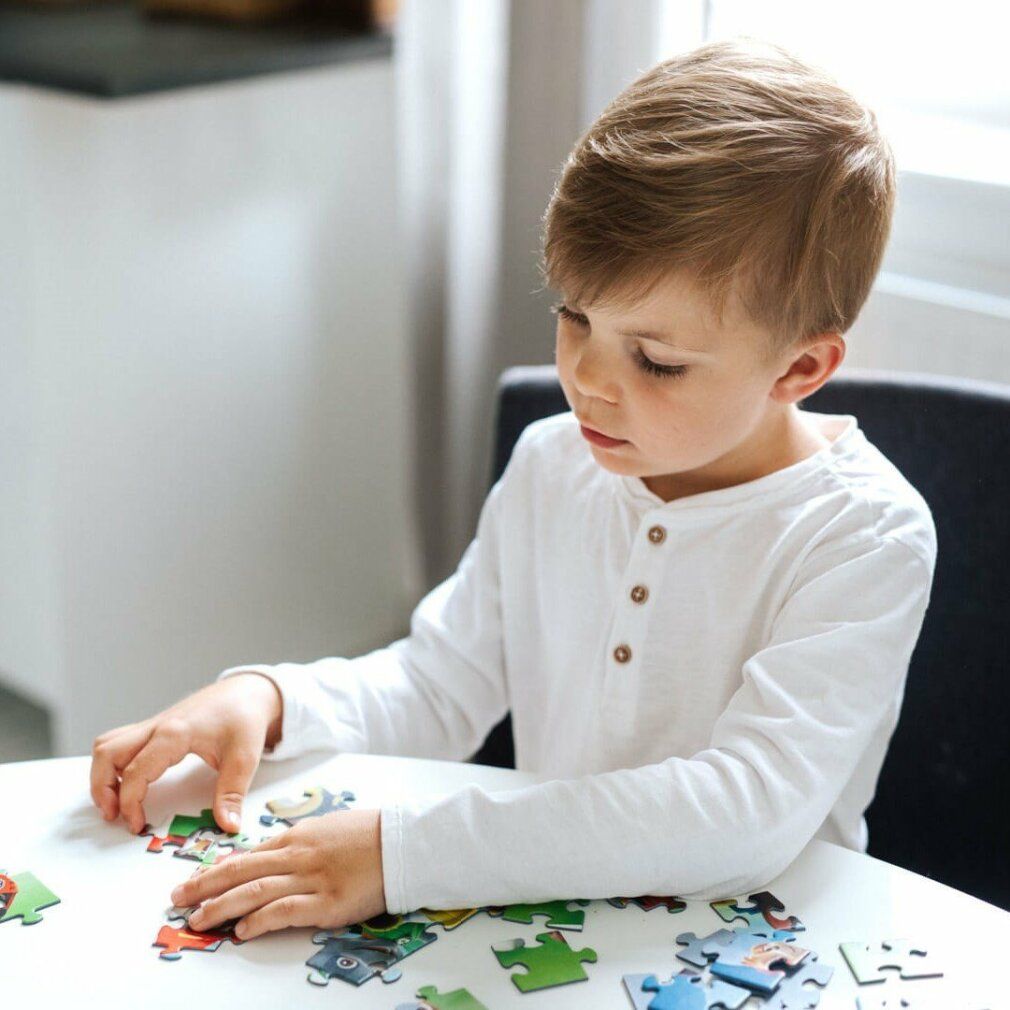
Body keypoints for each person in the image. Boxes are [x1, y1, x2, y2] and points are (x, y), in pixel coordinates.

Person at [88, 37, 937, 943]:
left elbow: (743, 810)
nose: (587, 379)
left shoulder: (865, 538)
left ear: (800, 367)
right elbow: (439, 680)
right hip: (548, 932)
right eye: (573, 314)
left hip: (763, 951)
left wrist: (404, 854)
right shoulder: (554, 462)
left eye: (656, 360)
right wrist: (272, 699)